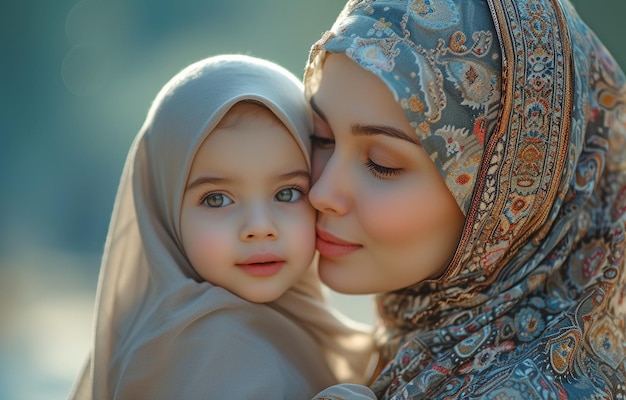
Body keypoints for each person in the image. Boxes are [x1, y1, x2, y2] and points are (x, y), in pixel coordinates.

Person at [305, 0, 626, 398]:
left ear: (512, 195)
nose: (321, 193)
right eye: (320, 138)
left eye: (381, 164)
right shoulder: (413, 343)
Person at [68, 54, 374, 400]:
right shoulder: (202, 345)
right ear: (164, 209)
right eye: (217, 199)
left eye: (287, 193)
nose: (260, 228)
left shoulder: (293, 320)